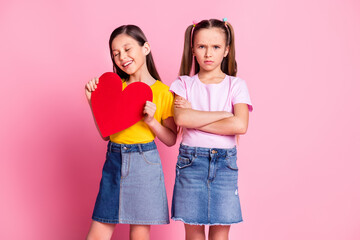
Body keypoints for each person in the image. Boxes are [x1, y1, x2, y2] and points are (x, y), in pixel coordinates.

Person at [85, 25, 177, 240]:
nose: (122, 57)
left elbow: (171, 138)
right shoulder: (112, 89)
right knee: (99, 229)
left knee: (139, 234)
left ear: (145, 48)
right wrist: (93, 102)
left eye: (127, 49)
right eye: (115, 54)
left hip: (145, 163)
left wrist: (152, 121)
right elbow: (107, 134)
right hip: (114, 159)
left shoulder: (163, 92)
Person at [170, 18, 253, 240]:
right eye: (202, 46)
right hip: (191, 163)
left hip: (224, 165)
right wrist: (224, 115)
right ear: (193, 49)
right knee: (194, 234)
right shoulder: (183, 83)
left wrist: (194, 116)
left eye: (215, 47)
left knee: (220, 233)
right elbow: (181, 118)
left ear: (226, 50)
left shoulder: (236, 85)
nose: (208, 53)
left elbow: (240, 125)